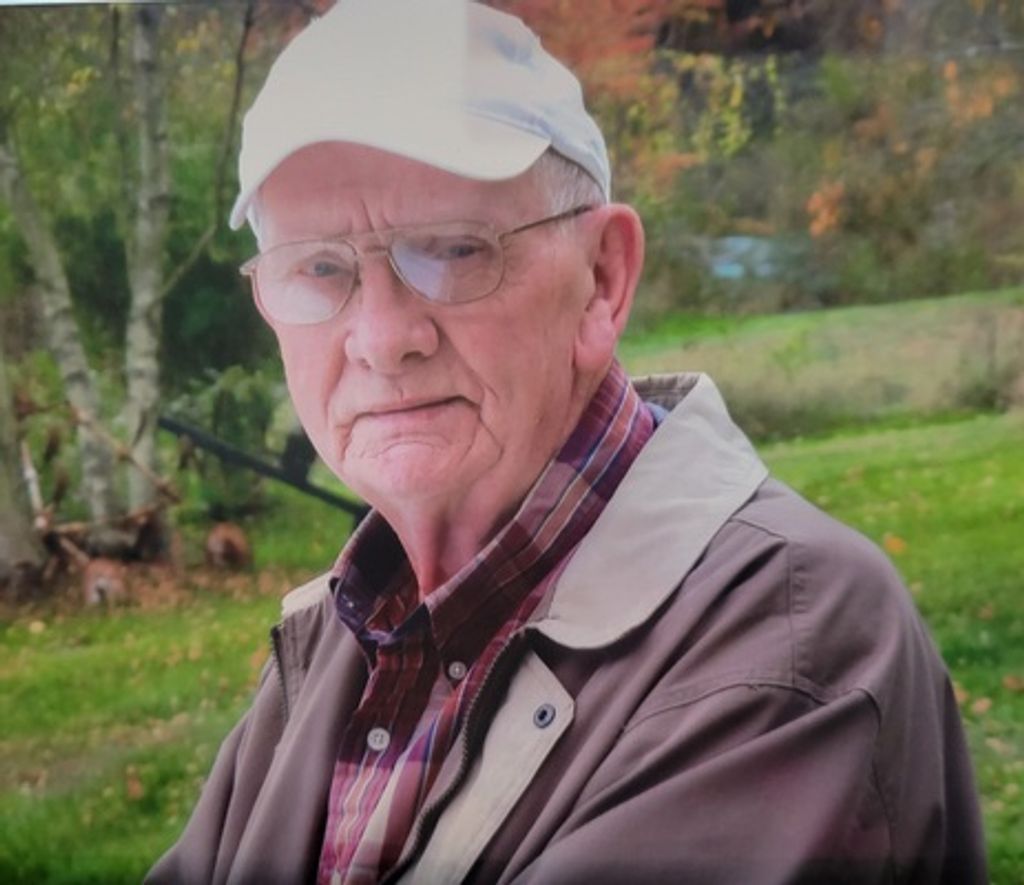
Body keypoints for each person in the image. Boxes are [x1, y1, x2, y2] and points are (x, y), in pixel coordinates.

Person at [148, 1, 986, 882]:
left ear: (602, 279)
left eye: (454, 250)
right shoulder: (341, 630)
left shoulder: (790, 645)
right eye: (319, 267)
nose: (382, 338)